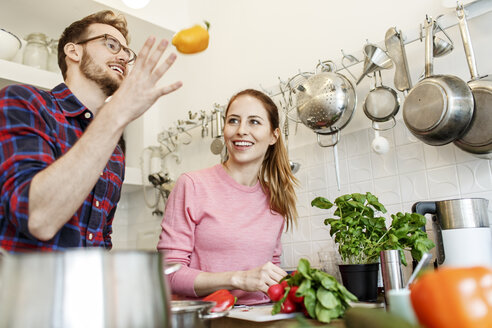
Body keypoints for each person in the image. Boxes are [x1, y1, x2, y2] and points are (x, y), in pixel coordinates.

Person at [0, 10, 182, 252]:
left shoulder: (114, 152)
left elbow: (101, 240)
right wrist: (116, 113)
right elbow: (38, 219)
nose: (123, 58)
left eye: (127, 53)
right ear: (74, 51)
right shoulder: (24, 102)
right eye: (111, 44)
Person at [157, 89, 298, 305]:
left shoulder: (276, 197)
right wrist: (238, 279)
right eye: (233, 120)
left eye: (254, 122)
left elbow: (271, 275)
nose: (241, 130)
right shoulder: (192, 185)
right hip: (209, 319)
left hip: (261, 318)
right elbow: (167, 274)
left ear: (273, 136)